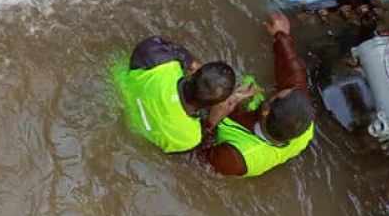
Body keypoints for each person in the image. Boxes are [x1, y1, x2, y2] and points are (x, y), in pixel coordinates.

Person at [200, 13, 315, 177]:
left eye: (275, 96)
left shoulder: (237, 158)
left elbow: (199, 161)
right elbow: (295, 79)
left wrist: (212, 120)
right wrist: (281, 36)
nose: (288, 88)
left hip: (226, 136)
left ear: (266, 111)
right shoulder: (303, 119)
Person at [110, 35, 236, 153]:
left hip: (111, 90)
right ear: (214, 105)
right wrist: (212, 120)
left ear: (193, 73)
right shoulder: (190, 138)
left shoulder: (158, 62)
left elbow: (159, 44)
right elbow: (201, 151)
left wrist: (190, 61)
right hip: (133, 137)